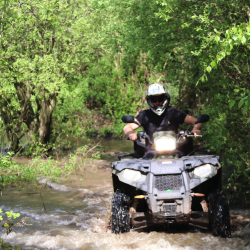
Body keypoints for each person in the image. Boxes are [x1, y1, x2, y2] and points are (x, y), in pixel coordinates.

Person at [123, 83, 202, 158]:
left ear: (165, 99)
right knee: (142, 165)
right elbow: (127, 127)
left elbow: (196, 121)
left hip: (174, 151)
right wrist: (131, 133)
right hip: (151, 152)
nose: (157, 102)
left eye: (160, 99)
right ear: (150, 101)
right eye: (154, 100)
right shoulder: (144, 115)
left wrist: (195, 129)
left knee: (186, 160)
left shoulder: (174, 113)